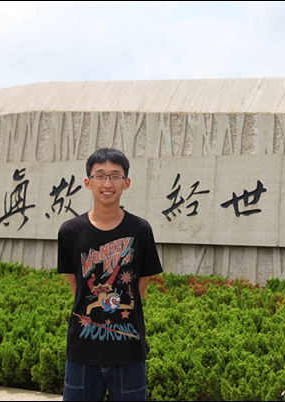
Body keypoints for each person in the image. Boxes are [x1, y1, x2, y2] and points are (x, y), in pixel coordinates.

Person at [57, 147, 163, 401]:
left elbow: (142, 281)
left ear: (126, 182)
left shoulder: (140, 229)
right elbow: (76, 285)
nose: (107, 183)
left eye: (115, 176)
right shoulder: (70, 231)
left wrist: (117, 304)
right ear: (88, 182)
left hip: (128, 352)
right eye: (100, 176)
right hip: (82, 350)